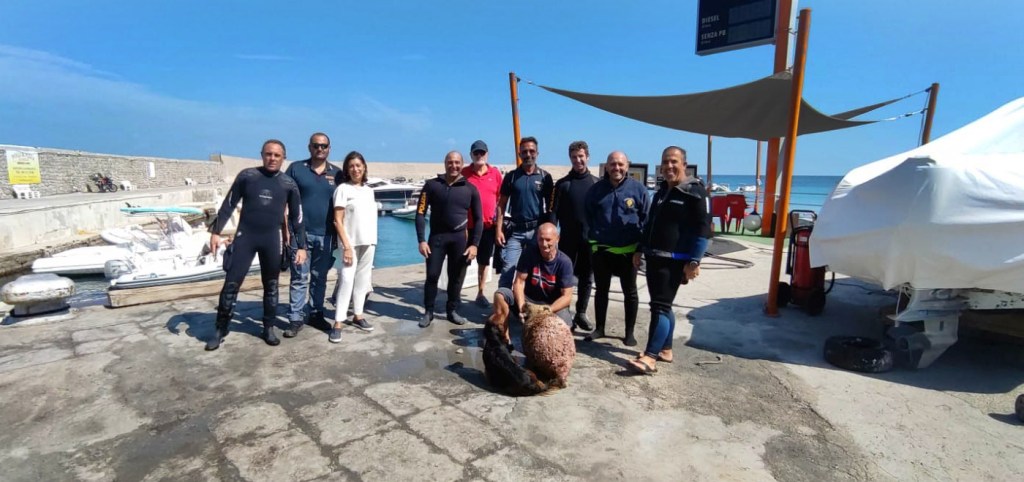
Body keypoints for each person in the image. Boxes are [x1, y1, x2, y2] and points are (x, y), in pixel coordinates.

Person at [206, 140, 307, 351]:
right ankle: (220, 329)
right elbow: (229, 204)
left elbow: (297, 217)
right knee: (231, 284)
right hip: (246, 238)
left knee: (271, 286)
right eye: (268, 154)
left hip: (271, 239)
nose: (272, 158)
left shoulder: (288, 184)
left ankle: (268, 328)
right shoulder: (248, 176)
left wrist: (301, 246)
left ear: (283, 158)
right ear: (262, 155)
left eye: (277, 155)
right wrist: (216, 232)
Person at [628, 146, 710, 374]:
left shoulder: (695, 192)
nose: (669, 166)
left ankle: (650, 357)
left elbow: (704, 229)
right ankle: (665, 350)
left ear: (684, 164)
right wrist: (639, 249)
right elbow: (650, 224)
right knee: (662, 305)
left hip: (675, 260)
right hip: (654, 257)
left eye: (674, 161)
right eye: (665, 162)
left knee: (660, 307)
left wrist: (695, 260)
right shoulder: (662, 191)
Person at [585, 151, 648, 346]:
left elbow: (646, 221)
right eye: (613, 164)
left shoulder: (638, 190)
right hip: (602, 251)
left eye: (620, 164)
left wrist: (640, 249)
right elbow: (588, 216)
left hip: (628, 253)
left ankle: (629, 333)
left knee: (630, 292)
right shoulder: (596, 190)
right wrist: (594, 239)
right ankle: (600, 328)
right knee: (601, 290)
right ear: (607, 167)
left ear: (627, 166)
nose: (616, 168)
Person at [283, 132, 343, 338]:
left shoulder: (337, 174)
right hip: (300, 234)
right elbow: (284, 201)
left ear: (329, 149)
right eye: (316, 145)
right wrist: (285, 230)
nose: (320, 149)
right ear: (309, 147)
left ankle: (316, 313)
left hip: (326, 235)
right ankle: (295, 318)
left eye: (324, 146)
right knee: (299, 277)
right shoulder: (296, 168)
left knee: (320, 277)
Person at [416, 151, 482, 327]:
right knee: (432, 276)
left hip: (459, 239)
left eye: (457, 162)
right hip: (436, 238)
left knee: (456, 278)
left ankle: (452, 311)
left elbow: (478, 219)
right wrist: (421, 240)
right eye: (450, 162)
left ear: (462, 164)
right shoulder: (431, 185)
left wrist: (474, 244)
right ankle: (428, 311)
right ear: (445, 163)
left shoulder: (470, 189)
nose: (454, 166)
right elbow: (420, 212)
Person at [493, 223, 576, 335]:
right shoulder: (529, 253)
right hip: (528, 301)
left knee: (564, 329)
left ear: (557, 239)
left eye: (548, 240)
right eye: (541, 239)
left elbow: (567, 297)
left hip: (550, 305)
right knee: (500, 294)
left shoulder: (564, 262)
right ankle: (503, 337)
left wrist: (548, 310)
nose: (544, 244)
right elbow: (519, 282)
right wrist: (522, 307)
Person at [330, 151, 378, 343]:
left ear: (364, 167)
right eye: (351, 166)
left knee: (362, 281)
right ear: (347, 170)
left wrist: (373, 240)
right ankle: (338, 322)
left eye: (358, 165)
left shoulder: (369, 191)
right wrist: (346, 246)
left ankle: (358, 315)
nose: (355, 169)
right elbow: (337, 220)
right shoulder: (343, 189)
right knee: (347, 280)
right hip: (350, 243)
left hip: (369, 241)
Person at [551, 140, 598, 332]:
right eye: (574, 157)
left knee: (587, 278)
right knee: (565, 277)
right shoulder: (563, 184)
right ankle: (564, 312)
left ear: (587, 157)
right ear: (570, 158)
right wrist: (552, 237)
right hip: (568, 240)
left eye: (581, 156)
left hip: (589, 240)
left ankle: (581, 313)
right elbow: (553, 213)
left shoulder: (596, 184)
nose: (578, 160)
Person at [495, 136, 554, 289]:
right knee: (508, 269)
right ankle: (503, 301)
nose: (528, 154)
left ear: (537, 153)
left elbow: (551, 207)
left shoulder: (545, 177)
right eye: (525, 152)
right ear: (519, 154)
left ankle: (529, 299)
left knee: (535, 271)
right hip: (516, 232)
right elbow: (501, 205)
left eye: (531, 151)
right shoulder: (512, 177)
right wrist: (499, 230)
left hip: (536, 232)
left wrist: (550, 232)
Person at [462, 140, 503, 308]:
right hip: (468, 227)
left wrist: (499, 228)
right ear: (471, 155)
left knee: (483, 262)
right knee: (462, 260)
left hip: (487, 227)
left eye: (482, 153)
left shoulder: (495, 173)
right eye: (476, 153)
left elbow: (500, 201)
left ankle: (480, 293)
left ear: (487, 154)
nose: (479, 155)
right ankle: (454, 294)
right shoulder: (464, 173)